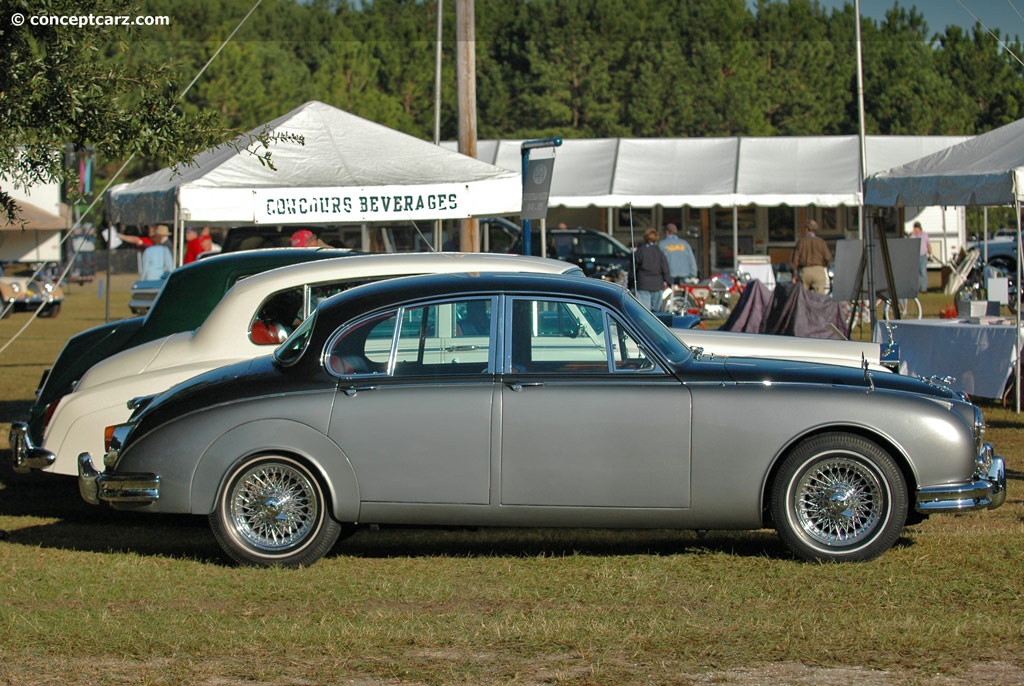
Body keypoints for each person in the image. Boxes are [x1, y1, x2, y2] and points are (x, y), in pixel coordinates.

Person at [629, 228, 671, 310]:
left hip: (643, 284)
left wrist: (631, 283)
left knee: (644, 311)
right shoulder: (659, 252)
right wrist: (669, 282)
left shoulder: (640, 251)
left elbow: (632, 269)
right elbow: (665, 269)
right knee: (656, 313)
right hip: (657, 285)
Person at [792, 219, 832, 295]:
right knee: (819, 298)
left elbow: (795, 260)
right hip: (818, 271)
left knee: (803, 298)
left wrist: (794, 273)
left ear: (807, 229)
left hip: (805, 271)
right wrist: (825, 266)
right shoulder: (821, 242)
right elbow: (828, 257)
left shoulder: (801, 242)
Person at [911, 220, 932, 292]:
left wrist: (930, 253)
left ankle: (924, 288)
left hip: (923, 255)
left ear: (919, 228)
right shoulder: (914, 236)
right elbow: (910, 241)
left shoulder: (924, 235)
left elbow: (928, 244)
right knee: (916, 273)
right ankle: (915, 288)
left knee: (923, 272)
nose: (915, 229)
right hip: (915, 256)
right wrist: (913, 234)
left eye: (916, 228)